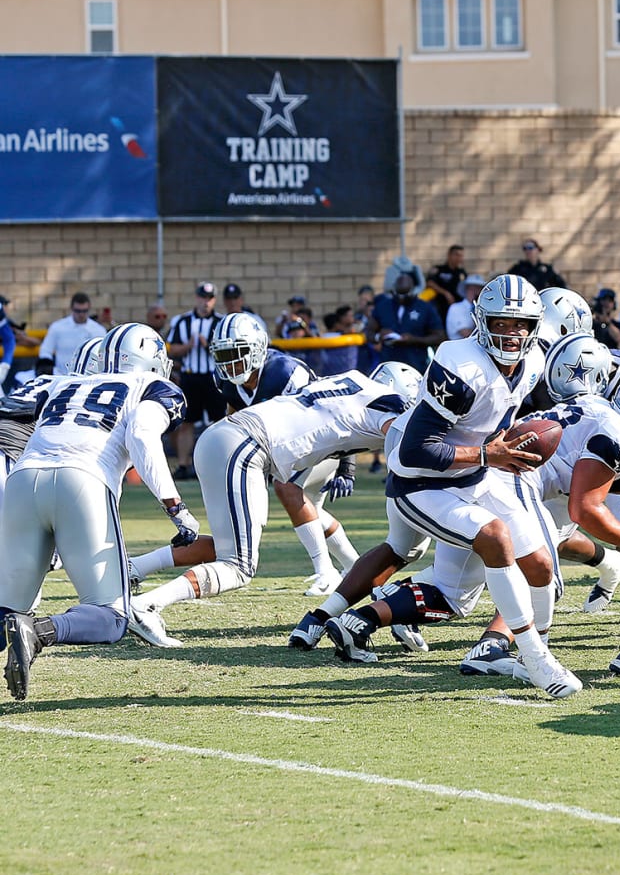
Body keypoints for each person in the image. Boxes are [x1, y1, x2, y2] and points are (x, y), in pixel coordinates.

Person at [373, 274, 582, 697]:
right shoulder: (460, 364)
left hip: (474, 473)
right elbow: (416, 451)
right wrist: (490, 454)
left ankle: (532, 652)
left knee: (541, 564)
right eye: (502, 322)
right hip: (420, 485)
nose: (512, 332)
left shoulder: (534, 362)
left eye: (520, 324)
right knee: (494, 537)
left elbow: (501, 414)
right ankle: (537, 659)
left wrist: (507, 447)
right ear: (482, 321)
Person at [126, 366, 418, 647]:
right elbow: (410, 448)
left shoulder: (352, 381)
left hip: (226, 437)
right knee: (238, 566)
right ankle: (146, 605)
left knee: (229, 549)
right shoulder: (390, 405)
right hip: (247, 446)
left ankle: (132, 568)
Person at [0, 323, 195, 701]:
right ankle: (37, 632)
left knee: (5, 608)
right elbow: (140, 432)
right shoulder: (151, 386)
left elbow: (8, 412)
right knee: (111, 616)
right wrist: (176, 507)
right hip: (83, 480)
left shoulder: (60, 382)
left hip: (23, 478)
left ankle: (21, 624)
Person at [166, 283, 224, 480]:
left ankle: (223, 461)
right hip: (191, 376)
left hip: (213, 377)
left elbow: (226, 352)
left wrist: (208, 346)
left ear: (214, 300)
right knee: (187, 422)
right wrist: (188, 346)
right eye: (202, 297)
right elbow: (172, 349)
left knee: (221, 422)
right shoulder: (182, 322)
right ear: (196, 298)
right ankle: (183, 465)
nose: (205, 302)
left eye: (209, 298)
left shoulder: (221, 322)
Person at [369, 258, 445, 372]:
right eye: (399, 294)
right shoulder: (383, 306)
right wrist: (378, 336)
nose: (401, 298)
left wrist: (414, 339)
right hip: (388, 365)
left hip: (415, 365)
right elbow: (368, 331)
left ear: (413, 290)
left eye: (405, 295)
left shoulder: (425, 307)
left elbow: (439, 336)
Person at [37, 292, 106, 376]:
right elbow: (45, 350)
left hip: (89, 378)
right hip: (62, 377)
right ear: (72, 309)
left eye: (84, 311)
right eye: (78, 311)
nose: (81, 314)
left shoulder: (99, 330)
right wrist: (47, 368)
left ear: (89, 309)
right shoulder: (57, 327)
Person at [426, 244, 467, 321]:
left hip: (456, 308)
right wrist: (445, 293)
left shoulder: (462, 273)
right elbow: (430, 283)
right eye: (457, 255)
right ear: (449, 255)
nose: (459, 258)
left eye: (461, 256)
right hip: (439, 306)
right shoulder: (439, 269)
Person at [320, 306, 359, 376]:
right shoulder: (340, 336)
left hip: (327, 371)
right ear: (336, 324)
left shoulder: (322, 337)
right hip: (342, 370)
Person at [445, 274, 484, 340]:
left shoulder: (482, 309)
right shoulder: (456, 308)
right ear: (467, 288)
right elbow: (467, 334)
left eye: (480, 288)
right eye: (474, 288)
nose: (478, 292)